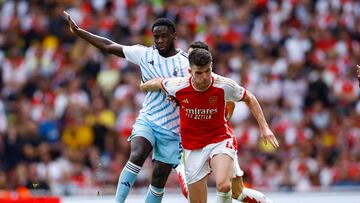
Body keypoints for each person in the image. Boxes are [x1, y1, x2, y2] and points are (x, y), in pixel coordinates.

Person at [64, 11, 190, 203]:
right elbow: (108, 46)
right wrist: (80, 31)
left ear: (174, 36)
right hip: (148, 119)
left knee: (158, 179)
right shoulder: (145, 54)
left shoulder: (186, 63)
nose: (160, 40)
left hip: (173, 130)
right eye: (156, 37)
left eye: (164, 36)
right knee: (137, 154)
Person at [141, 48, 279, 203]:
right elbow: (159, 83)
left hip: (219, 140)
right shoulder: (178, 85)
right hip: (193, 146)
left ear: (211, 66)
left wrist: (264, 127)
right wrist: (143, 85)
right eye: (199, 73)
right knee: (206, 198)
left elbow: (249, 98)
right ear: (190, 71)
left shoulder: (224, 85)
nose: (205, 77)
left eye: (208, 71)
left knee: (224, 186)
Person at [176, 41, 274, 203]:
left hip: (219, 140)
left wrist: (223, 119)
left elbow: (232, 102)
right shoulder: (183, 83)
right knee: (194, 195)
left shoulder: (219, 84)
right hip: (193, 142)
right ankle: (179, 166)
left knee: (236, 192)